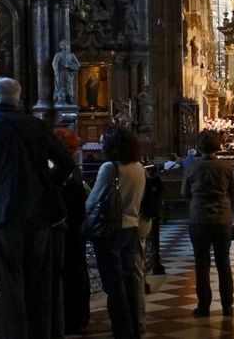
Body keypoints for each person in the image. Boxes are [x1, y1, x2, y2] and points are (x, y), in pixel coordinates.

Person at [0, 77, 75, 339]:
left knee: (9, 283)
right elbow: (65, 163)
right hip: (39, 214)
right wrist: (44, 186)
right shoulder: (35, 125)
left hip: (2, 216)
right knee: (39, 281)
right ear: (17, 97)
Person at [86, 125, 145, 339]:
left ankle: (122, 329)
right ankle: (135, 324)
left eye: (103, 141)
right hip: (132, 226)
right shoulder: (138, 166)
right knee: (130, 279)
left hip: (112, 230)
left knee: (113, 282)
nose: (100, 144)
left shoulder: (110, 168)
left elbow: (93, 201)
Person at [182, 130, 234, 317]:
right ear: (218, 145)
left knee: (202, 263)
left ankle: (204, 306)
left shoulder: (192, 167)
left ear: (199, 146)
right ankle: (227, 306)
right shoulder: (226, 166)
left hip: (199, 218)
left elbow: (184, 193)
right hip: (222, 218)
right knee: (223, 262)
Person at [52, 127, 90, 335]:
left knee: (70, 273)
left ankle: (72, 318)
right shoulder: (72, 167)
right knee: (76, 271)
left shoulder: (62, 167)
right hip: (76, 227)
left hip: (69, 228)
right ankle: (78, 315)